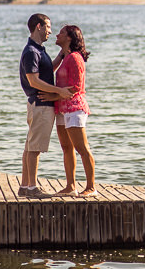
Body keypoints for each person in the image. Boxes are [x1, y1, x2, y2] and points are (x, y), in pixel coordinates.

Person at [18, 14, 73, 197]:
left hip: (38, 104)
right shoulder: (32, 52)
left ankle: (25, 185)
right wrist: (59, 91)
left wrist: (61, 55)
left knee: (30, 145)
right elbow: (33, 81)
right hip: (41, 104)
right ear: (39, 26)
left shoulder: (39, 50)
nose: (50, 31)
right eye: (48, 27)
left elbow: (47, 71)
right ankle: (33, 188)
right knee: (34, 147)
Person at [51, 24, 96, 197]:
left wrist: (53, 97)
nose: (57, 35)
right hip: (61, 108)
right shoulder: (66, 57)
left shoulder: (75, 58)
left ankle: (91, 187)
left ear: (69, 37)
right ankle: (71, 186)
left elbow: (77, 86)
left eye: (61, 33)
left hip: (74, 107)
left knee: (82, 148)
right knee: (66, 147)